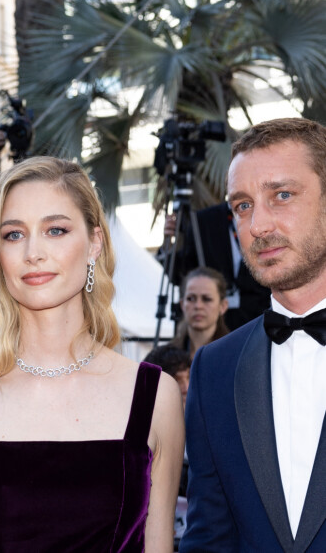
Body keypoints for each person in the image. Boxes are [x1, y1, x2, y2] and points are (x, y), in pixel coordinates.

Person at [0, 157, 185, 552]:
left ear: (94, 243)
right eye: (14, 235)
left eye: (56, 230)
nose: (33, 252)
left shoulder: (154, 394)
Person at [181, 117, 326, 552]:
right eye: (243, 205)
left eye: (281, 195)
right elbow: (208, 535)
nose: (258, 225)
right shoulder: (214, 369)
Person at [161, 200, 271, 331]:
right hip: (213, 327)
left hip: (259, 324)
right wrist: (167, 244)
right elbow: (180, 274)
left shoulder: (269, 215)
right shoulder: (203, 220)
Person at [143, 345, 192, 550]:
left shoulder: (209, 432)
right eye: (177, 380)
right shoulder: (142, 438)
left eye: (189, 378)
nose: (186, 387)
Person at [170, 266, 230, 359]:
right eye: (191, 298)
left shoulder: (236, 355)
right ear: (182, 304)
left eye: (207, 299)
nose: (198, 306)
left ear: (223, 306)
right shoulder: (164, 358)